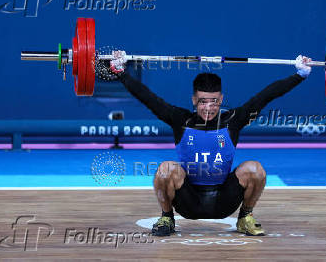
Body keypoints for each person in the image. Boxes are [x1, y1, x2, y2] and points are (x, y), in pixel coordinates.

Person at [110, 52, 312, 236]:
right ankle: (167, 218)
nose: (209, 107)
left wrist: (299, 75)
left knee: (255, 169)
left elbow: (266, 95)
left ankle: (245, 218)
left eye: (214, 101)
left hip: (224, 200)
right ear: (193, 100)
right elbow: (148, 98)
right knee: (165, 169)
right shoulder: (179, 119)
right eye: (203, 101)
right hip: (188, 200)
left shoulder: (234, 119)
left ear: (221, 99)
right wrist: (121, 73)